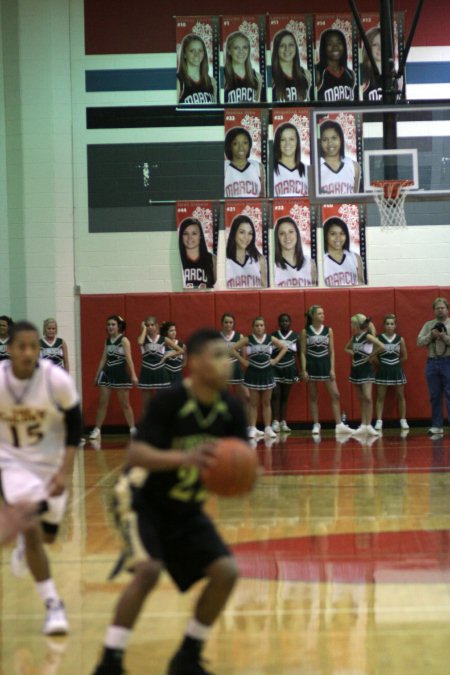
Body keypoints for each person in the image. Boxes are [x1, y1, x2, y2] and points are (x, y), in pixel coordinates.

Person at [91, 328, 248, 675]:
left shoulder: (232, 410)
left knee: (226, 571)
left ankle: (188, 656)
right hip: (139, 499)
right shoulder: (171, 401)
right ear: (193, 363)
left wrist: (243, 477)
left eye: (228, 356)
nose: (227, 363)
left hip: (185, 507)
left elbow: (239, 464)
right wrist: (185, 459)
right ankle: (110, 662)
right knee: (148, 570)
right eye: (217, 356)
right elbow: (137, 453)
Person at [0, 321, 83, 634]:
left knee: (47, 536)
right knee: (33, 528)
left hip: (51, 463)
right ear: (9, 350)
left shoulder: (55, 379)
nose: (28, 352)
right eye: (21, 346)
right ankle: (53, 605)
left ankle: (25, 542)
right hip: (13, 465)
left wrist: (65, 470)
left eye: (33, 346)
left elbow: (76, 424)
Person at [301, 305, 353, 436]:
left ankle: (339, 424)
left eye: (323, 313)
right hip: (312, 365)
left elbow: (332, 351)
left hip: (325, 365)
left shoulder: (328, 330)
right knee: (313, 396)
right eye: (319, 313)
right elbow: (302, 352)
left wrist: (332, 369)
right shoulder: (305, 331)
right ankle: (316, 424)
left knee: (335, 394)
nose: (322, 315)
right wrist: (303, 370)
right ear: (312, 316)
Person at [233, 317, 288, 439]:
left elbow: (284, 347)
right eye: (257, 325)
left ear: (265, 327)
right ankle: (252, 428)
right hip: (253, 373)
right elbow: (232, 348)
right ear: (253, 327)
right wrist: (243, 360)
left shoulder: (270, 338)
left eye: (261, 325)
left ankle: (268, 428)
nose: (259, 328)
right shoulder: (248, 339)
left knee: (266, 402)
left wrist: (275, 360)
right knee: (253, 403)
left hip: (267, 372)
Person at [89, 316, 138, 440]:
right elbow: (103, 358)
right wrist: (97, 375)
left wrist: (133, 374)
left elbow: (129, 359)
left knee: (125, 404)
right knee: (102, 403)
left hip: (120, 373)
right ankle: (97, 429)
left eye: (113, 324)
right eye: (108, 324)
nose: (110, 327)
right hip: (107, 373)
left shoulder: (124, 340)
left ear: (119, 326)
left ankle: (132, 429)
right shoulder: (107, 340)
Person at [345, 314, 384, 436]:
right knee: (361, 398)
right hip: (356, 368)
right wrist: (354, 354)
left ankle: (369, 425)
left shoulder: (367, 336)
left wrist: (371, 355)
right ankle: (363, 425)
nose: (351, 326)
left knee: (367, 397)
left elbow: (381, 346)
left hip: (366, 369)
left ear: (357, 324)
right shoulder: (355, 337)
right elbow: (346, 348)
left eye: (352, 324)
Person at [417, 296, 450, 435]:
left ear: (447, 309)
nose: (440, 310)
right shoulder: (428, 325)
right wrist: (431, 336)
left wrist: (443, 337)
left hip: (448, 361)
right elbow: (419, 342)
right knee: (435, 395)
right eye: (437, 308)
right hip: (432, 362)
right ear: (434, 310)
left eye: (442, 308)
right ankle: (437, 425)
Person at [137, 316, 182, 410]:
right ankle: (147, 424)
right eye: (147, 325)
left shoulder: (163, 339)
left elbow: (180, 350)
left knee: (162, 402)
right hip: (147, 371)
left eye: (152, 325)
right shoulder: (143, 338)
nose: (150, 327)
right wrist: (144, 329)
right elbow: (140, 342)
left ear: (156, 326)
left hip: (160, 371)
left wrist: (167, 355)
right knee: (146, 404)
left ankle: (162, 423)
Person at [375, 314, 408, 430]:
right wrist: (382, 365)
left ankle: (403, 420)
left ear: (395, 326)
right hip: (383, 370)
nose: (389, 326)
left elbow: (404, 356)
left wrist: (395, 364)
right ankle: (379, 421)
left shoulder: (400, 339)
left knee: (400, 395)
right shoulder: (378, 339)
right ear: (384, 325)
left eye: (392, 324)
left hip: (396, 370)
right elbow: (374, 356)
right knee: (380, 397)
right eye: (387, 324)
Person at [271, 314, 301, 433]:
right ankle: (275, 421)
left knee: (285, 396)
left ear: (290, 322)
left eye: (287, 321)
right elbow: (270, 353)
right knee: (275, 395)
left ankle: (283, 421)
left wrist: (299, 370)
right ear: (279, 323)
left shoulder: (295, 336)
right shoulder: (273, 335)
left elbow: (298, 354)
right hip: (276, 368)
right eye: (282, 321)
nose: (285, 323)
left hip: (290, 368)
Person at [226, 214, 268, 289]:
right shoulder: (223, 261)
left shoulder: (260, 260)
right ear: (234, 233)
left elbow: (264, 289)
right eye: (242, 232)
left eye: (250, 233)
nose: (246, 237)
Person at [319, 120, 361, 194]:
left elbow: (354, 197)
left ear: (341, 139)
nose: (330, 143)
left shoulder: (353, 166)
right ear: (320, 142)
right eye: (325, 139)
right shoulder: (315, 168)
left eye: (334, 138)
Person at [315, 29, 357, 102]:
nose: (335, 47)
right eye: (330, 44)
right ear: (323, 47)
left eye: (339, 43)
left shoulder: (350, 74)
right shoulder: (318, 73)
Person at [274, 216, 316, 287]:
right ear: (277, 237)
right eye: (282, 233)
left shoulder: (310, 263)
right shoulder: (272, 265)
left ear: (297, 234)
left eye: (291, 232)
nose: (287, 236)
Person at [323, 217, 364, 287]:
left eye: (342, 233)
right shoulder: (321, 260)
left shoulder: (355, 257)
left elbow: (360, 285)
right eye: (333, 234)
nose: (338, 237)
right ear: (325, 236)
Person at [224, 127, 265, 199]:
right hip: (231, 209)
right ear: (229, 146)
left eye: (245, 143)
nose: (241, 147)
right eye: (235, 143)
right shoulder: (224, 167)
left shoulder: (258, 166)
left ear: (250, 145)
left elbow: (263, 196)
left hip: (253, 209)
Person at [177, 33, 217, 104]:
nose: (196, 54)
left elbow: (214, 112)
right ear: (184, 54)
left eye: (200, 50)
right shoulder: (178, 81)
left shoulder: (211, 82)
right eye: (192, 51)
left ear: (204, 53)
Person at [271, 29, 310, 102]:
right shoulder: (270, 76)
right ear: (276, 49)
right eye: (282, 45)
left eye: (291, 45)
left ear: (296, 47)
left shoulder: (306, 75)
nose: (287, 49)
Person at [224, 31, 262, 103]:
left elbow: (257, 107)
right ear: (229, 50)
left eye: (245, 47)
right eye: (236, 48)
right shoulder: (222, 77)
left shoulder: (257, 77)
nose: (241, 51)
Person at [220, 313, 249, 407]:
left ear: (233, 323)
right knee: (224, 397)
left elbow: (244, 356)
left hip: (236, 367)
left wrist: (242, 365)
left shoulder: (239, 336)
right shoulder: (217, 336)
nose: (228, 324)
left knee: (245, 396)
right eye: (226, 322)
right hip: (223, 369)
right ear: (222, 323)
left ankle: (244, 419)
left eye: (230, 322)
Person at [178, 218, 216, 289]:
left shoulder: (212, 259)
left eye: (194, 233)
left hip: (206, 298)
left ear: (200, 236)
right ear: (181, 236)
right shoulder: (178, 260)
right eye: (185, 233)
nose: (190, 237)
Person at [273, 123, 308, 197]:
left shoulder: (307, 170)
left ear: (297, 141)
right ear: (278, 143)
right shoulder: (271, 170)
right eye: (282, 140)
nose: (287, 144)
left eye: (291, 139)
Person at [160, 321, 186, 385]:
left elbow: (184, 362)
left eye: (175, 330)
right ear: (166, 332)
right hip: (165, 376)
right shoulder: (162, 345)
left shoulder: (181, 345)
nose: (174, 332)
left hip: (177, 376)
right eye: (171, 331)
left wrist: (177, 369)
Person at [361, 27, 382, 102]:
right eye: (375, 44)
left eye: (383, 43)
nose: (380, 48)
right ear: (368, 46)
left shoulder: (394, 74)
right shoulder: (361, 72)